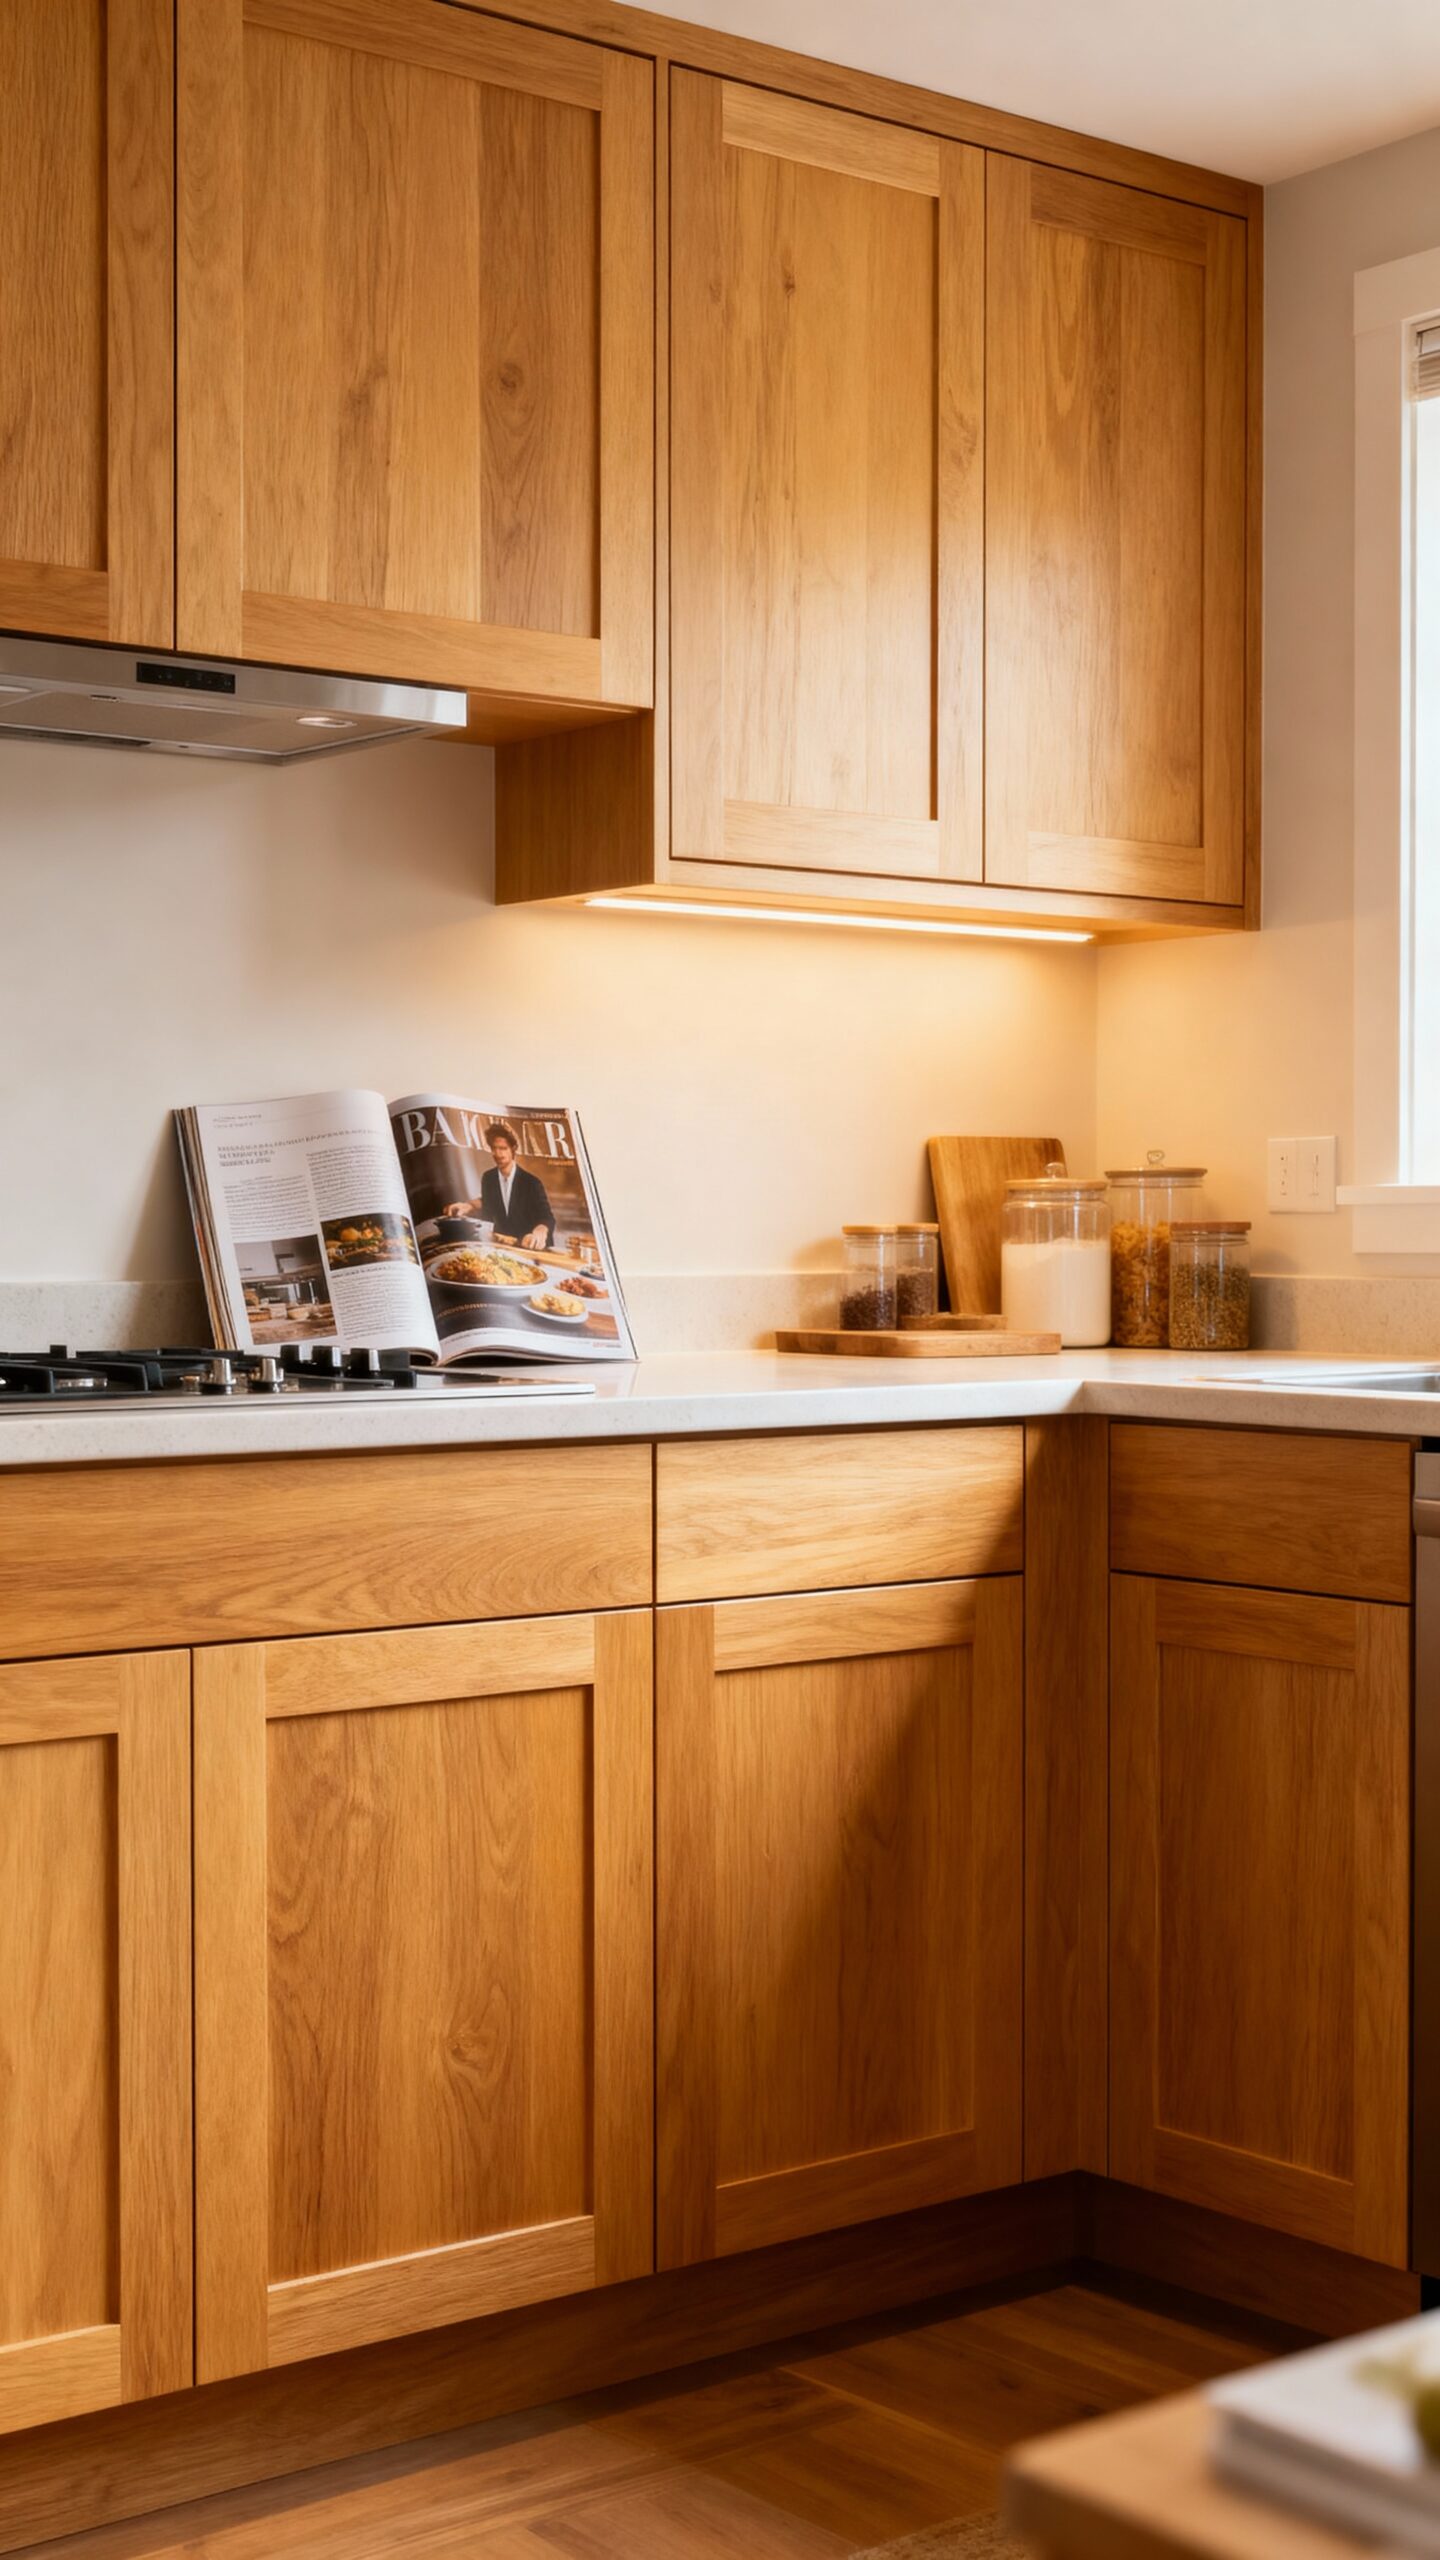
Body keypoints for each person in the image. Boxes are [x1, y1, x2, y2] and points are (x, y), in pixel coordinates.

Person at [444, 1123, 557, 1249]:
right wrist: (468, 1206)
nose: (497, 1154)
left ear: (513, 1149)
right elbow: (488, 1201)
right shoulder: (488, 1178)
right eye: (494, 1148)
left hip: (528, 1248)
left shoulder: (532, 1182)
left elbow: (547, 1217)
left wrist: (540, 1231)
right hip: (500, 1248)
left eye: (503, 1148)